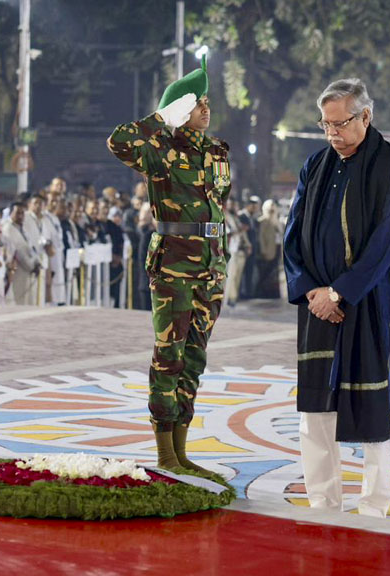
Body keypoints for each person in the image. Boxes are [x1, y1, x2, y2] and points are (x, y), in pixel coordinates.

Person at [283, 78, 390, 518]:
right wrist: (313, 291)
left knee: (371, 409)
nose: (332, 133)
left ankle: (374, 506)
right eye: (325, 125)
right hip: (318, 306)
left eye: (340, 123)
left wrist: (341, 290)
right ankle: (322, 501)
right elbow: (293, 237)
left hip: (365, 306)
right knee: (315, 409)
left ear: (366, 117)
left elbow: (384, 243)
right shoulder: (314, 166)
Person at [107, 54, 231, 472]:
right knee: (169, 356)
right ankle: (164, 454)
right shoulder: (158, 150)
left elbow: (215, 207)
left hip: (211, 268)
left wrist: (219, 261)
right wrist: (162, 118)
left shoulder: (216, 151)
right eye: (198, 103)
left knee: (194, 359)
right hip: (174, 266)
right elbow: (119, 141)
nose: (206, 109)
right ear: (181, 109)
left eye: (207, 102)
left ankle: (182, 452)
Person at [5, 201, 41, 305]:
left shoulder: (23, 229)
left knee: (29, 301)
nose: (20, 216)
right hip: (18, 272)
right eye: (17, 213)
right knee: (19, 302)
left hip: (29, 272)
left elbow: (31, 248)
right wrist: (31, 266)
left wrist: (37, 262)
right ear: (11, 213)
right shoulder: (8, 229)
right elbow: (19, 253)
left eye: (22, 213)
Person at [223, 198, 249, 307]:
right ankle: (229, 299)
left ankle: (233, 297)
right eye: (231, 204)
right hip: (230, 250)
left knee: (236, 275)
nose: (234, 206)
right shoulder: (225, 217)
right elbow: (228, 233)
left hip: (238, 249)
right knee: (231, 276)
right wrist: (241, 230)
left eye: (235, 204)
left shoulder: (235, 217)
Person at [255, 199, 282, 299]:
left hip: (277, 249)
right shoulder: (263, 221)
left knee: (274, 273)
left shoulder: (277, 222)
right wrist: (263, 250)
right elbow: (261, 237)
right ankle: (263, 293)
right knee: (265, 273)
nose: (272, 211)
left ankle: (273, 293)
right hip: (267, 251)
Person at [238, 196, 260, 299]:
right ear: (248, 206)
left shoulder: (252, 217)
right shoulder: (242, 216)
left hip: (252, 248)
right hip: (245, 248)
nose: (254, 209)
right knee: (243, 271)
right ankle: (243, 293)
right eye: (253, 207)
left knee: (249, 270)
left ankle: (248, 292)